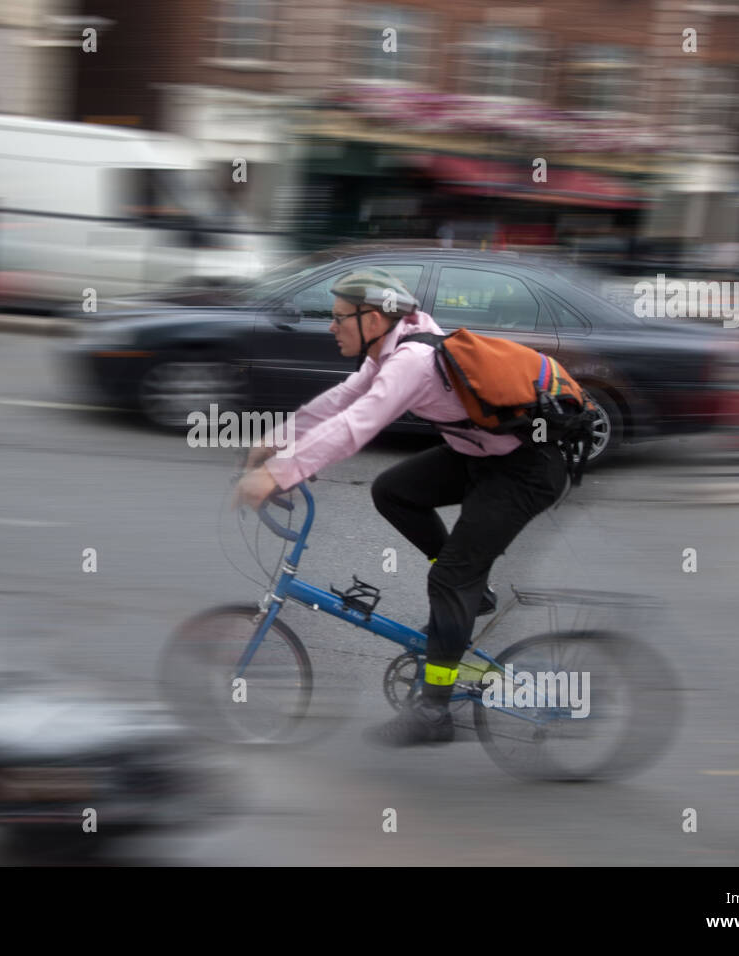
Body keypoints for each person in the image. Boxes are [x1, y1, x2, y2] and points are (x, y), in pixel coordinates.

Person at [232, 268, 570, 746]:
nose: (331, 327)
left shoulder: (411, 360)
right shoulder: (388, 352)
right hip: (481, 455)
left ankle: (434, 711)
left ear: (373, 320)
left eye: (340, 318)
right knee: (393, 490)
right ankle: (478, 592)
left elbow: (357, 425)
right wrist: (275, 443)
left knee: (452, 577)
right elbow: (340, 401)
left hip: (528, 468)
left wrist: (279, 475)